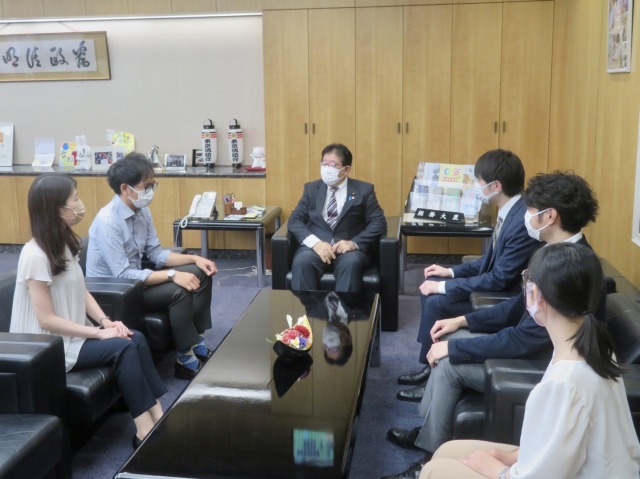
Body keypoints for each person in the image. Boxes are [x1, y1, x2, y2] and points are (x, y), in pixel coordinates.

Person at [383, 171, 602, 479]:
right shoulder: (556, 254)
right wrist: (462, 320)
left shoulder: (568, 269)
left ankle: (427, 458)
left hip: (536, 363)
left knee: (450, 364)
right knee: (452, 338)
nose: (527, 217)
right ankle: (429, 434)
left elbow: (525, 340)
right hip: (535, 351)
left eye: (530, 210)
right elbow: (516, 308)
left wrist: (455, 349)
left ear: (549, 216)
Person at [417, 243, 640, 479]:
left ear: (538, 297)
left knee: (433, 470)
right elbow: (556, 447)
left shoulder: (564, 384)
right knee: (445, 452)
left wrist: (498, 470)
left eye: (526, 282)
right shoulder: (591, 345)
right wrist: (512, 456)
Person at [10, 174, 167, 448]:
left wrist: (106, 321)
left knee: (136, 337)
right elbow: (46, 320)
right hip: (49, 347)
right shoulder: (34, 255)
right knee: (123, 347)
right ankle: (144, 431)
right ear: (56, 208)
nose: (80, 205)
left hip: (72, 336)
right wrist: (97, 333)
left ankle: (159, 417)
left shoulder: (63, 243)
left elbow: (81, 291)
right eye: (75, 199)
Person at [398, 149, 538, 402]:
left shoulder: (520, 221)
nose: (477, 187)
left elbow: (499, 278)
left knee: (437, 299)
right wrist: (450, 271)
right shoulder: (509, 210)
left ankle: (430, 374)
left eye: (479, 182)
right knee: (431, 288)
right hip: (494, 287)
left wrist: (444, 287)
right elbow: (489, 260)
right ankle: (427, 366)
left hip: (501, 298)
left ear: (496, 186)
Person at [86, 152, 218, 380]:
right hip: (116, 292)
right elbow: (123, 275)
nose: (151, 191)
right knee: (177, 289)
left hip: (136, 282)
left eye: (153, 185)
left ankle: (196, 339)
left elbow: (156, 254)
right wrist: (173, 275)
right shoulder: (108, 221)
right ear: (125, 189)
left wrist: (195, 259)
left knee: (201, 272)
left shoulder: (142, 211)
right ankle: (185, 359)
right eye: (146, 186)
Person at [287, 143, 387, 292]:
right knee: (302, 262)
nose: (327, 169)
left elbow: (379, 222)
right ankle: (307, 308)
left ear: (346, 169)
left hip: (349, 250)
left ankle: (343, 307)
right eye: (324, 164)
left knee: (351, 263)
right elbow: (295, 220)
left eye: (333, 165)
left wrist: (353, 243)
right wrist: (315, 243)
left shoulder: (364, 190)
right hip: (316, 247)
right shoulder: (312, 189)